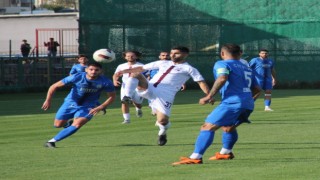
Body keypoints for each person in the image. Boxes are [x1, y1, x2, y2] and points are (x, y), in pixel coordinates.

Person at [172, 44, 261, 165]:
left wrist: (209, 96)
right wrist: (246, 100)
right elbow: (256, 89)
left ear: (222, 53)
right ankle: (225, 153)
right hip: (248, 103)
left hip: (232, 103)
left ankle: (196, 157)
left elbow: (222, 78)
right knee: (228, 128)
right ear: (239, 54)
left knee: (207, 127)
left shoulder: (222, 63)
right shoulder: (247, 67)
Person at [114, 46, 210, 146]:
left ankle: (163, 132)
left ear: (185, 55)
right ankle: (127, 97)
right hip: (149, 87)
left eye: (176, 53)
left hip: (165, 95)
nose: (172, 55)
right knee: (135, 74)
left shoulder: (189, 69)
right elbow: (142, 68)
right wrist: (123, 72)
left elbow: (201, 82)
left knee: (162, 121)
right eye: (172, 52)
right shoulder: (162, 62)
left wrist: (209, 95)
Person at [42, 62, 116, 148]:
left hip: (88, 106)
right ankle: (68, 124)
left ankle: (52, 141)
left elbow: (112, 97)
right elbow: (54, 86)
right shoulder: (77, 76)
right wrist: (48, 100)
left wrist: (101, 107)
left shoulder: (106, 82)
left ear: (101, 71)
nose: (93, 72)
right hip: (70, 103)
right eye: (91, 69)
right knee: (58, 125)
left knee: (78, 123)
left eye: (96, 70)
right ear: (86, 70)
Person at [113, 50, 145, 124]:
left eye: (132, 56)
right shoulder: (121, 66)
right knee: (124, 102)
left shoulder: (141, 65)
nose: (130, 57)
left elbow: (147, 76)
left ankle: (138, 108)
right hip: (125, 86)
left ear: (136, 56)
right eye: (127, 56)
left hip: (138, 87)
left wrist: (143, 85)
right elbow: (116, 74)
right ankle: (127, 119)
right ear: (125, 57)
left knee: (138, 103)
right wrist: (115, 81)